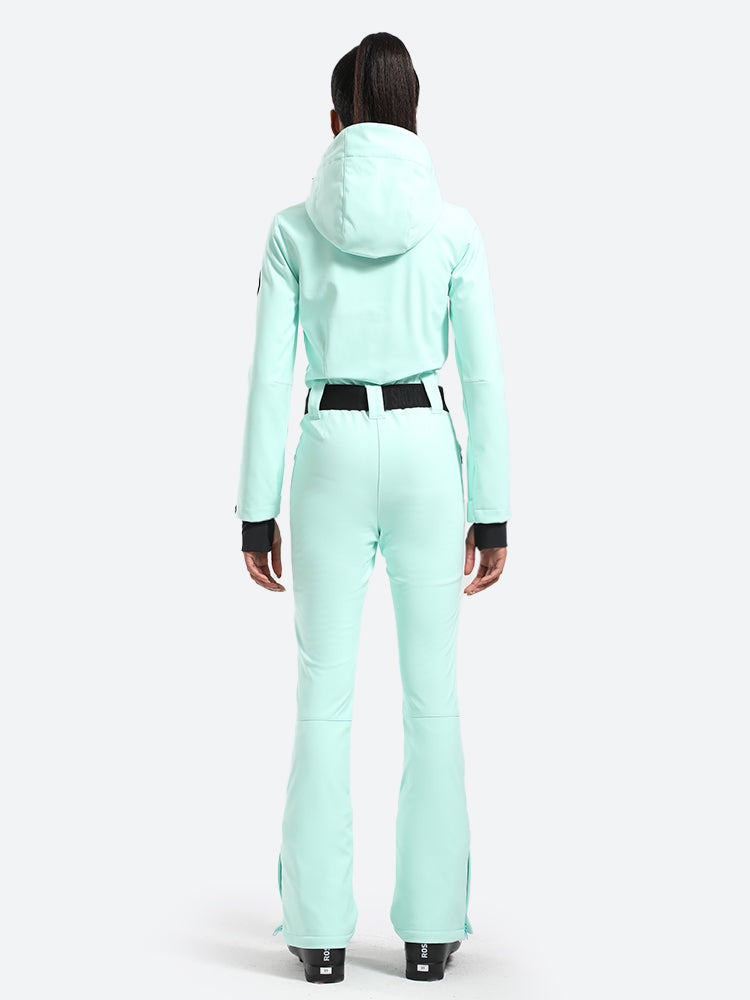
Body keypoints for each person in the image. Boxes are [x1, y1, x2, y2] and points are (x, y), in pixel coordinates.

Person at [235, 32, 510, 984]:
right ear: (415, 116)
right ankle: (430, 936)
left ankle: (318, 937)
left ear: (335, 122)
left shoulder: (292, 229)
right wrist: (492, 510)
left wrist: (255, 511)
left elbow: (270, 377)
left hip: (329, 452)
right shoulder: (455, 230)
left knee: (324, 697)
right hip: (429, 452)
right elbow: (483, 376)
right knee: (433, 699)